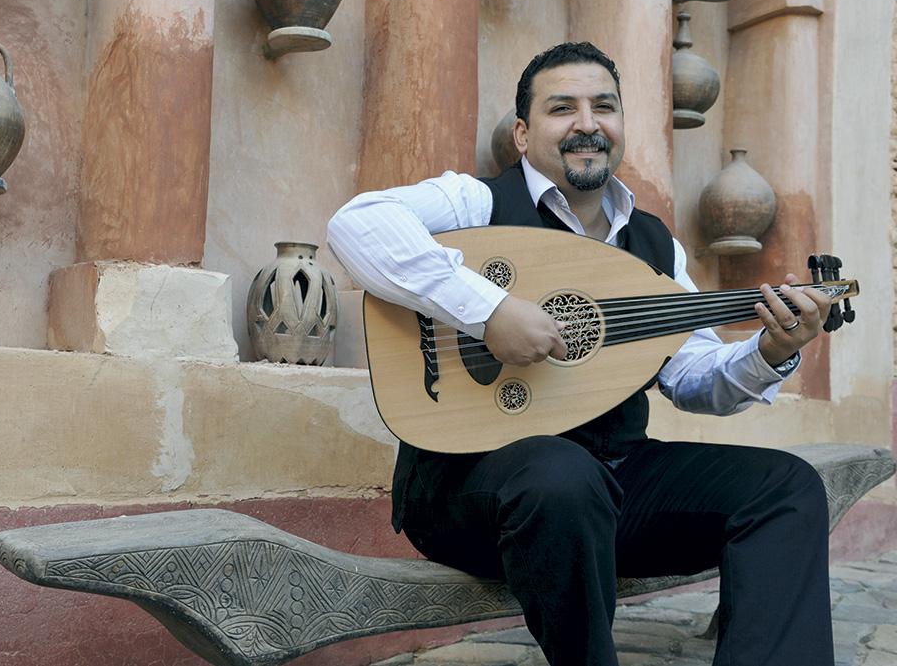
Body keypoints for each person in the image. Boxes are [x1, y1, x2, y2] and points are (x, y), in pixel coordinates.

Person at [326, 42, 834, 666]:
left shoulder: (655, 246)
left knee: (787, 489)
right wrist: (487, 311)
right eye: (562, 108)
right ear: (522, 133)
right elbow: (358, 223)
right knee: (561, 476)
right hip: (471, 489)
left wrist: (770, 350)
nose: (587, 124)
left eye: (604, 107)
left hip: (612, 482)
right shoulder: (477, 203)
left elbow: (693, 377)